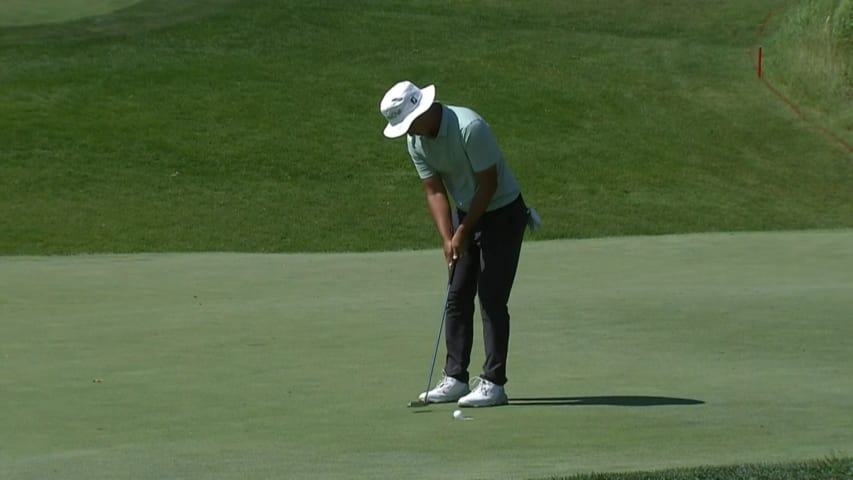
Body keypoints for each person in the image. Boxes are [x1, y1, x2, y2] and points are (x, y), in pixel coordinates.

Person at [379, 80, 533, 407]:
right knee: (457, 293)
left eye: (408, 123)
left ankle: (494, 383)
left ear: (422, 110)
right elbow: (434, 190)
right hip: (467, 213)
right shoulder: (416, 142)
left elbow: (488, 184)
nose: (408, 131)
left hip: (503, 212)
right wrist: (448, 237)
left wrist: (463, 231)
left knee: (491, 297)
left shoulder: (469, 127)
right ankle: (456, 378)